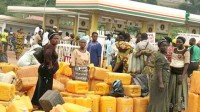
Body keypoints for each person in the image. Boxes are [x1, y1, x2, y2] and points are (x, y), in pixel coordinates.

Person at [31, 32, 59, 109]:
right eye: (55, 38)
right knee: (46, 88)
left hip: (43, 69)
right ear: (50, 39)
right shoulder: (50, 46)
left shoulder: (48, 45)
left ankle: (37, 103)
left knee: (41, 86)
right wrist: (50, 65)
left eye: (57, 38)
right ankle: (42, 105)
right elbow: (47, 54)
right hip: (46, 70)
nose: (56, 40)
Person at [148, 39, 170, 112]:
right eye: (163, 46)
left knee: (161, 99)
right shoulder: (159, 56)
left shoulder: (163, 55)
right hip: (160, 81)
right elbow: (159, 70)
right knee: (157, 100)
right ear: (159, 47)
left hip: (164, 79)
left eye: (166, 46)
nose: (165, 47)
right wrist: (160, 83)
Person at [169, 36, 190, 112]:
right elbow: (173, 61)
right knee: (171, 90)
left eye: (180, 42)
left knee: (179, 91)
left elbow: (186, 64)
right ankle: (171, 107)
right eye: (177, 42)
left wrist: (182, 77)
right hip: (173, 73)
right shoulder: (174, 49)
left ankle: (179, 109)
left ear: (183, 43)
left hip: (181, 74)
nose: (177, 43)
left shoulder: (186, 51)